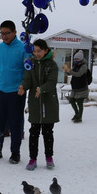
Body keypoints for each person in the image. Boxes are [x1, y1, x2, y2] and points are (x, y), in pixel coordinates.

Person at [0, 20, 26, 164]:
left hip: (16, 92)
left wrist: (24, 86)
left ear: (15, 32)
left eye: (7, 33)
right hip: (0, 91)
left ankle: (15, 153)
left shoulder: (23, 49)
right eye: (2, 33)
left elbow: (28, 71)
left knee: (15, 123)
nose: (4, 36)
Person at [18, 39, 60, 170]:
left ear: (45, 50)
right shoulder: (31, 64)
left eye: (39, 51)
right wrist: (23, 86)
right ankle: (32, 159)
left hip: (49, 102)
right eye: (34, 51)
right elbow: (28, 80)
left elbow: (52, 82)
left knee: (48, 132)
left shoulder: (52, 65)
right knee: (34, 132)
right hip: (35, 103)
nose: (36, 54)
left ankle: (49, 157)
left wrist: (41, 89)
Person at [63, 50, 89, 123]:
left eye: (77, 59)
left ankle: (79, 117)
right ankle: (76, 114)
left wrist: (70, 71)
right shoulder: (76, 65)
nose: (75, 60)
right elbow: (71, 73)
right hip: (75, 87)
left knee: (79, 102)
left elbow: (78, 74)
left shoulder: (84, 66)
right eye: (75, 59)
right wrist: (66, 71)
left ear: (81, 59)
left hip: (82, 87)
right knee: (71, 100)